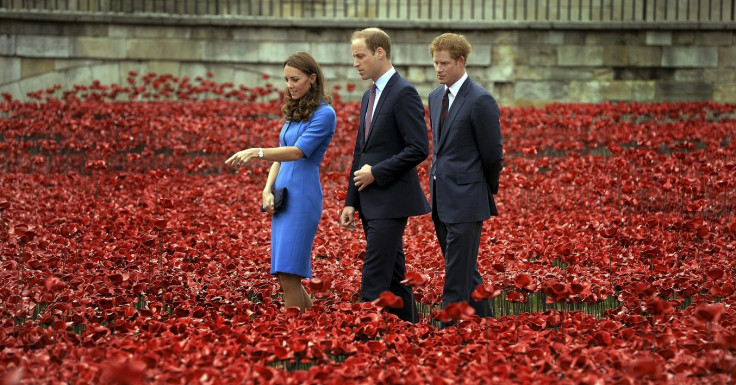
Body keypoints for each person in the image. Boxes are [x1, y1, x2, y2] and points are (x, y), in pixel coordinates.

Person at [226, 51, 336, 312]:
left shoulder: (325, 113)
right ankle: (311, 329)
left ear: (312, 78)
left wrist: (255, 151)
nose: (289, 85)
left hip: (303, 197)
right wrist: (266, 190)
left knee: (289, 273)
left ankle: (295, 335)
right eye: (286, 79)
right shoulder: (297, 111)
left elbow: (296, 152)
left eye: (295, 79)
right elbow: (281, 153)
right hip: (284, 195)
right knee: (285, 274)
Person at [339, 28, 430, 323]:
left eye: (360, 55)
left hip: (392, 200)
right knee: (393, 275)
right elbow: (360, 152)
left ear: (380, 53)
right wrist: (350, 201)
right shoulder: (369, 95)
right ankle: (414, 331)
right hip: (370, 201)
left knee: (375, 274)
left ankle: (365, 336)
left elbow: (418, 148)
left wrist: (377, 173)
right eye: (354, 56)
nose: (355, 62)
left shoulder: (404, 92)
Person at [427, 33, 503, 327]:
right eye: (435, 63)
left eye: (444, 63)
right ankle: (489, 325)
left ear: (461, 61)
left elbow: (493, 155)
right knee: (465, 270)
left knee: (456, 276)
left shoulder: (480, 100)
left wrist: (482, 188)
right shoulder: (435, 97)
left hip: (468, 200)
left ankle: (448, 331)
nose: (438, 69)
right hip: (442, 199)